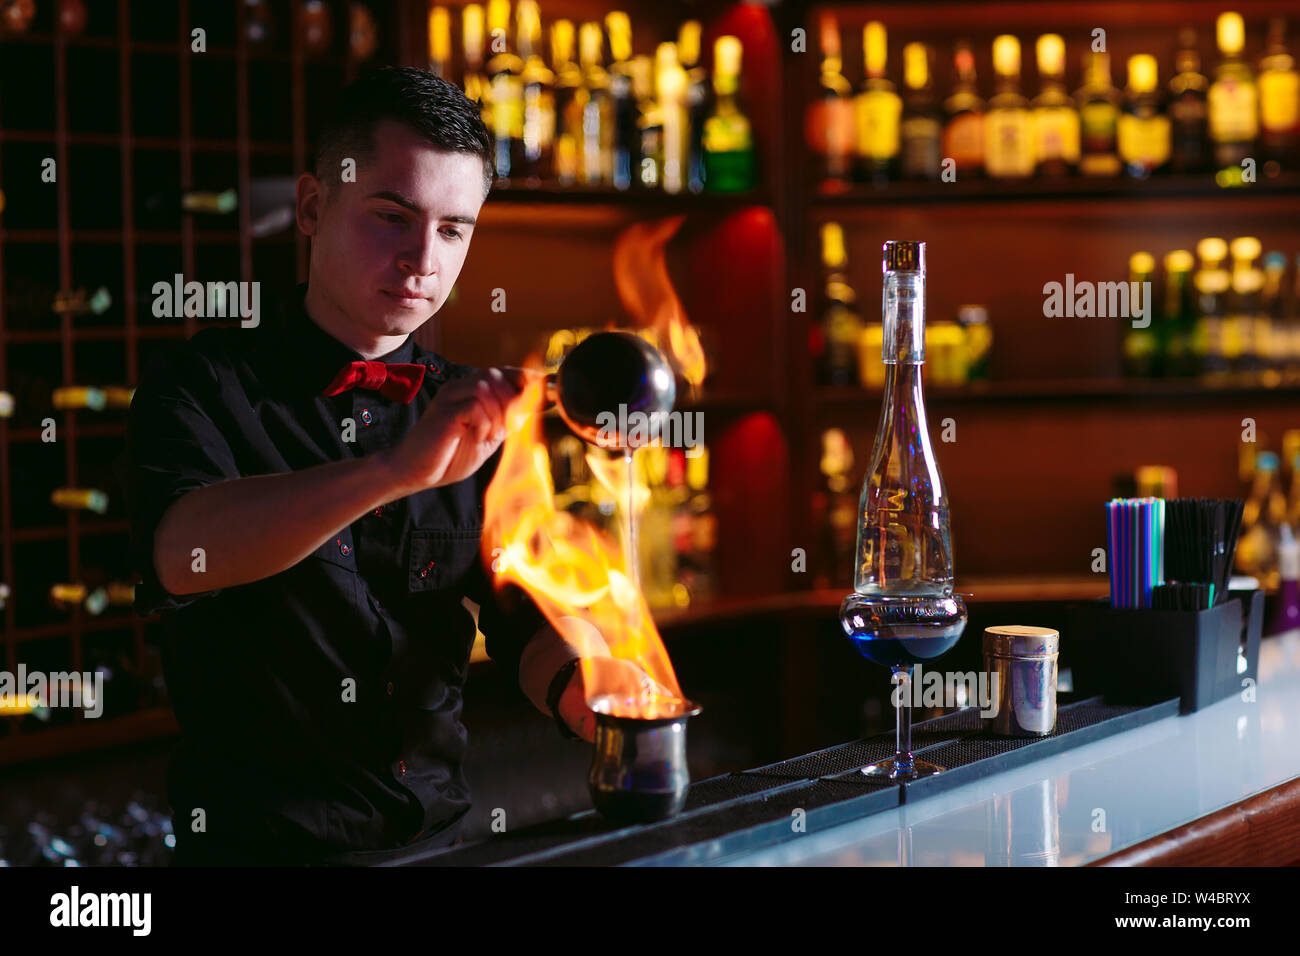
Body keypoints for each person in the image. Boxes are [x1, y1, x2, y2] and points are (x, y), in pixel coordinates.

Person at [115, 67, 607, 867]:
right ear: (313, 207)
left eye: (454, 229)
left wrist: (592, 691)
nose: (423, 259)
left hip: (438, 847)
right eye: (392, 217)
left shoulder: (471, 413)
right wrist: (394, 472)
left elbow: (527, 622)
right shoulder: (202, 385)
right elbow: (184, 554)